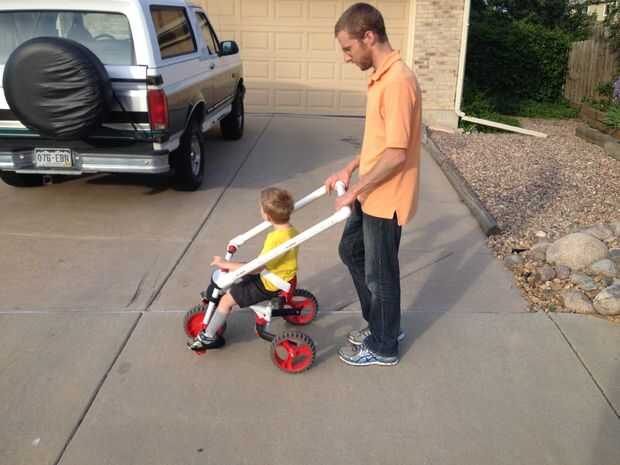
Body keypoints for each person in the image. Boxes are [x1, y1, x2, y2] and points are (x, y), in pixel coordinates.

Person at [324, 3, 422, 366]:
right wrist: (348, 169)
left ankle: (384, 346)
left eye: (348, 48)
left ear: (369, 37)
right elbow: (378, 144)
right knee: (352, 251)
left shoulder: (397, 82)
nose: (346, 57)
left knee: (380, 274)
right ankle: (383, 325)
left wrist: (352, 192)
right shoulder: (382, 77)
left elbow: (396, 154)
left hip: (386, 196)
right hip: (370, 191)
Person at [189, 187, 299, 350]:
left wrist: (225, 264)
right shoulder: (291, 231)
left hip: (269, 283)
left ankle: (208, 338)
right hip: (279, 274)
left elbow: (255, 268)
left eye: (261, 208)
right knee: (236, 274)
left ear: (267, 216)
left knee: (226, 301)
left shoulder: (275, 240)